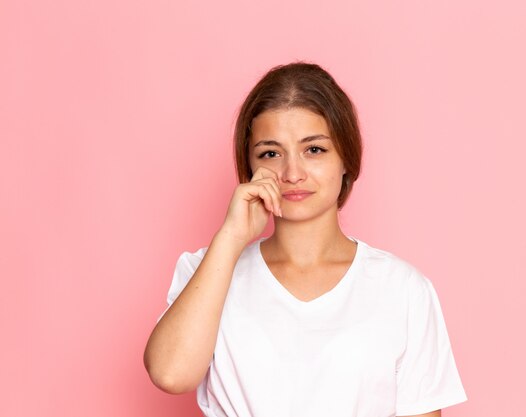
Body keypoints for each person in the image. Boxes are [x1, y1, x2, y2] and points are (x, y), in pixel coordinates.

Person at [144, 62, 467, 417]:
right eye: (271, 153)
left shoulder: (403, 290)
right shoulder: (209, 271)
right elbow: (170, 374)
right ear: (250, 167)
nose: (292, 173)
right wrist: (231, 237)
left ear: (346, 158)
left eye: (314, 149)